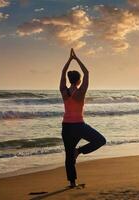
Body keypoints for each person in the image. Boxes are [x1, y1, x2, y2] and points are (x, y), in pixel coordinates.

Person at [59, 48, 106, 188]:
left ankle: (72, 183)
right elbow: (87, 72)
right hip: (79, 126)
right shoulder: (81, 91)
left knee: (69, 155)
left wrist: (69, 60)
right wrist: (76, 58)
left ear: (69, 80)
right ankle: (79, 151)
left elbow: (62, 73)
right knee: (100, 140)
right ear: (79, 80)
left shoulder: (63, 90)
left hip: (66, 127)